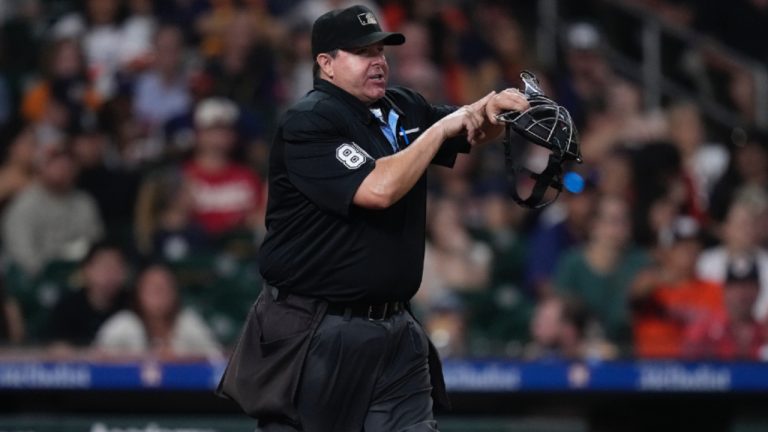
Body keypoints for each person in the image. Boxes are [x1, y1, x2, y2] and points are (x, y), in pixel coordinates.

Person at [216, 5, 530, 432]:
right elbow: (378, 190)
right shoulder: (309, 121)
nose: (378, 60)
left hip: (396, 328)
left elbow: (469, 130)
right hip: (319, 331)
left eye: (381, 50)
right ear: (325, 64)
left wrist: (494, 111)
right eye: (363, 52)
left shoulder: (401, 106)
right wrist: (443, 127)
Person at [1, 143, 104, 276]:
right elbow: (23, 259)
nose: (62, 170)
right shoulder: (24, 206)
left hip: (81, 275)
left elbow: (96, 244)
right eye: (55, 164)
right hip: (38, 280)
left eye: (68, 164)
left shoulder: (84, 203)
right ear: (40, 168)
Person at [94, 264, 221, 358]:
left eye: (163, 289)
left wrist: (180, 358)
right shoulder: (124, 323)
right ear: (139, 294)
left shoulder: (187, 322)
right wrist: (140, 359)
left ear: (174, 293)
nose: (158, 295)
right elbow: (96, 359)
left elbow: (216, 359)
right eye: (152, 289)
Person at [44, 241, 129, 348]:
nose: (110, 274)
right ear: (87, 270)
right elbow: (55, 347)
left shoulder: (132, 303)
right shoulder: (67, 307)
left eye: (116, 267)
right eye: (105, 267)